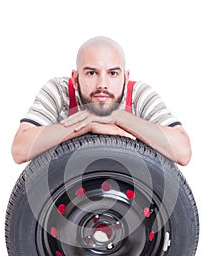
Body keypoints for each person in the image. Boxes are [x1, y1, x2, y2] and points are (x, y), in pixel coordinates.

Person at [12, 36, 191, 165]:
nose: (102, 84)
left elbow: (182, 151)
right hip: (68, 197)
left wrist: (117, 117)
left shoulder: (138, 94)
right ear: (75, 78)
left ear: (125, 78)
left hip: (129, 197)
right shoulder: (59, 91)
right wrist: (87, 125)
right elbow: (20, 149)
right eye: (91, 73)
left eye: (113, 73)